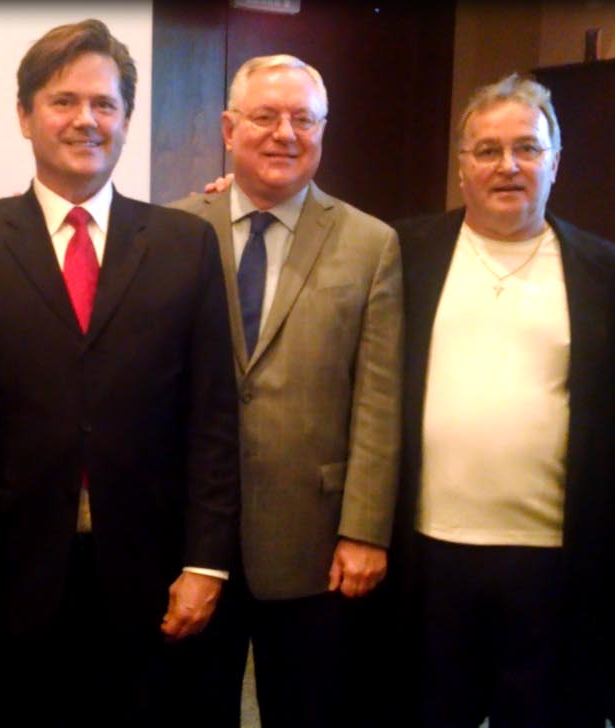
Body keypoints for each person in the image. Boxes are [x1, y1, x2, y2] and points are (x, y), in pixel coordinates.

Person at [0, 19, 238, 728]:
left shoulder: (184, 245)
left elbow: (213, 418)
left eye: (105, 104)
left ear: (127, 119)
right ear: (25, 116)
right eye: (63, 101)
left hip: (149, 571)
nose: (86, 120)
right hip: (7, 573)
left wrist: (207, 563)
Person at [391, 73, 615, 727]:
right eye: (488, 150)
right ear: (463, 166)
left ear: (555, 161)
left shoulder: (610, 274)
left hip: (553, 560)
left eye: (527, 148)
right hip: (429, 552)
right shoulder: (401, 253)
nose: (508, 166)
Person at [169, 54, 402, 728]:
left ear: (324, 130)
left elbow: (379, 404)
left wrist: (364, 529)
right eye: (266, 116)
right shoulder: (173, 232)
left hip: (317, 541)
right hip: (191, 540)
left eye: (304, 119)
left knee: (310, 710)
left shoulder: (371, 244)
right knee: (190, 708)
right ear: (228, 127)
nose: (285, 133)